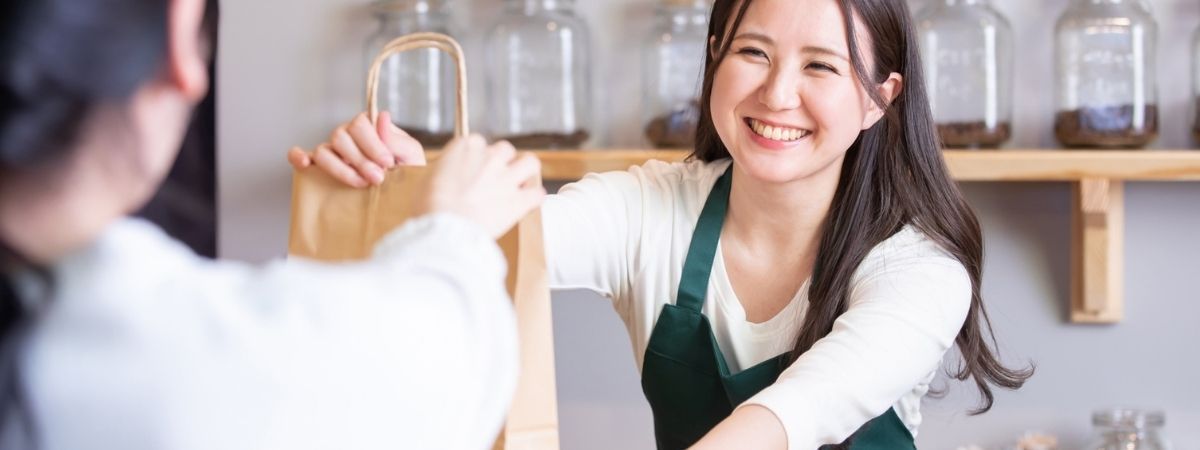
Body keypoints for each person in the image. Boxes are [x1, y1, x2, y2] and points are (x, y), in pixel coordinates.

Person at [291, 0, 1036, 448]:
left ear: (881, 98)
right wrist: (400, 188)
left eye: (821, 67)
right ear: (714, 57)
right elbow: (494, 242)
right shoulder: (650, 212)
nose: (777, 94)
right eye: (752, 51)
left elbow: (791, 419)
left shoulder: (920, 272)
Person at [0, 0, 546, 448]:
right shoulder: (163, 349)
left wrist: (414, 210)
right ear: (181, 30)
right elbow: (433, 370)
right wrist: (453, 227)